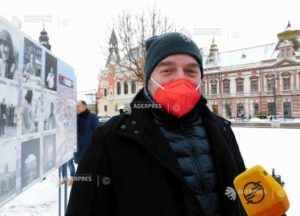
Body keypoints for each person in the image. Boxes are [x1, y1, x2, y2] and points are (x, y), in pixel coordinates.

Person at [66, 33, 246, 216]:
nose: (180, 79)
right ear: (148, 80)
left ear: (201, 78)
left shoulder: (222, 130)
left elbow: (243, 199)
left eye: (191, 71)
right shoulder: (110, 139)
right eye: (167, 71)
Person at [61, 100, 99, 185]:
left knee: (87, 167)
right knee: (79, 166)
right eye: (76, 107)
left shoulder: (93, 117)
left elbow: (97, 132)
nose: (76, 108)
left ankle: (87, 184)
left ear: (84, 106)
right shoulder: (75, 118)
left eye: (78, 106)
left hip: (89, 147)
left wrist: (95, 146)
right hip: (76, 146)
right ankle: (80, 184)